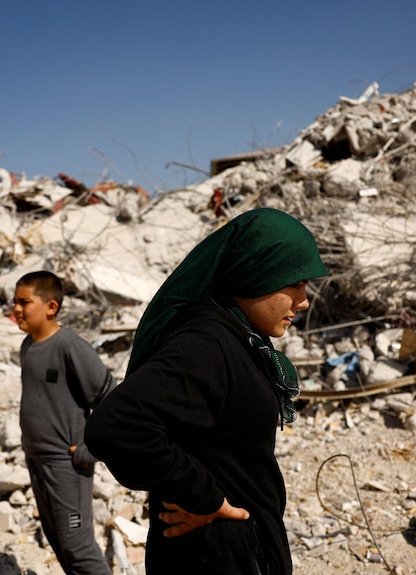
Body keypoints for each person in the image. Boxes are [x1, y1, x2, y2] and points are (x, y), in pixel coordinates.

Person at [84, 208, 328, 575]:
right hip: (213, 553)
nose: (304, 301)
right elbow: (116, 426)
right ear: (255, 274)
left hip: (236, 546)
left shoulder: (239, 336)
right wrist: (205, 498)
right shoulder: (207, 343)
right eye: (294, 285)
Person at [12, 271, 114, 575]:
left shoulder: (71, 347)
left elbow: (114, 402)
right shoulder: (28, 345)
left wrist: (91, 450)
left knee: (78, 548)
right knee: (58, 541)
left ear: (51, 307)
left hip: (67, 466)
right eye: (14, 301)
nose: (16, 308)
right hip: (37, 460)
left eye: (24, 302)